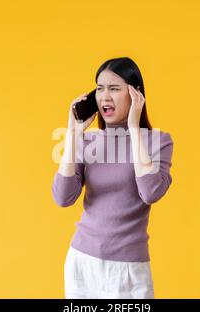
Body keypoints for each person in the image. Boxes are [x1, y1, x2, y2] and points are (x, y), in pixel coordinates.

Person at [52, 57, 174, 299]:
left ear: (135, 94)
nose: (104, 96)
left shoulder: (158, 141)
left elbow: (150, 192)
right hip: (82, 264)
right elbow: (62, 197)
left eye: (114, 89)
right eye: (99, 88)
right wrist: (73, 134)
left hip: (128, 268)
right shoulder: (88, 141)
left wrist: (133, 129)